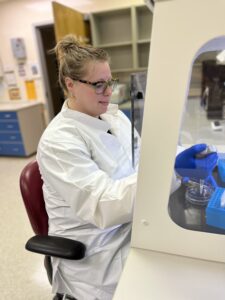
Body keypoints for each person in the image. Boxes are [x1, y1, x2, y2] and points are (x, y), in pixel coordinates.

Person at [37, 34, 218, 300]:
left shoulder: (113, 115)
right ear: (70, 84)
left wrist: (189, 154)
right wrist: (174, 171)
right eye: (99, 85)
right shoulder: (58, 141)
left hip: (136, 222)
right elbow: (102, 204)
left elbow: (143, 154)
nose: (109, 92)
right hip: (97, 250)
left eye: (109, 82)